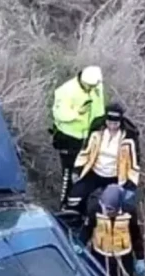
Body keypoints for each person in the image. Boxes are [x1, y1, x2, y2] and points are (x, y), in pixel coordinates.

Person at [78, 184, 145, 276]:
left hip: (123, 257)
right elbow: (86, 230)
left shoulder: (129, 212)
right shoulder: (95, 210)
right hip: (100, 256)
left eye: (109, 209)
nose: (106, 211)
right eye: (104, 207)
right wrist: (79, 245)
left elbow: (136, 236)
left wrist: (140, 258)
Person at [66, 102, 140, 214]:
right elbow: (86, 152)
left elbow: (134, 162)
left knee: (111, 204)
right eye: (110, 122)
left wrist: (131, 182)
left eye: (115, 123)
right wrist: (78, 168)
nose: (112, 126)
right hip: (94, 172)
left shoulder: (128, 139)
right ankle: (76, 220)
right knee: (74, 198)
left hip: (115, 176)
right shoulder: (97, 133)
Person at [51, 66, 106, 207]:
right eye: (89, 86)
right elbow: (59, 114)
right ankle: (64, 205)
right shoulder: (66, 91)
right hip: (69, 139)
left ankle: (83, 203)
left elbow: (99, 108)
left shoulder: (97, 87)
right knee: (68, 174)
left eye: (93, 85)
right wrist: (77, 113)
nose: (91, 88)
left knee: (89, 171)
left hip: (91, 137)